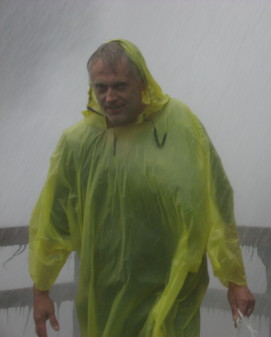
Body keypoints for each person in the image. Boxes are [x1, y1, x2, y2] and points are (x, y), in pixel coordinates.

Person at [29, 39, 255, 337]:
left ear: (142, 82)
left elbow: (215, 204)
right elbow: (52, 223)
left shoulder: (180, 126)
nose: (110, 97)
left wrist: (234, 280)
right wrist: (41, 290)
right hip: (104, 296)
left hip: (172, 289)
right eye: (101, 88)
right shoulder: (78, 145)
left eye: (120, 86)